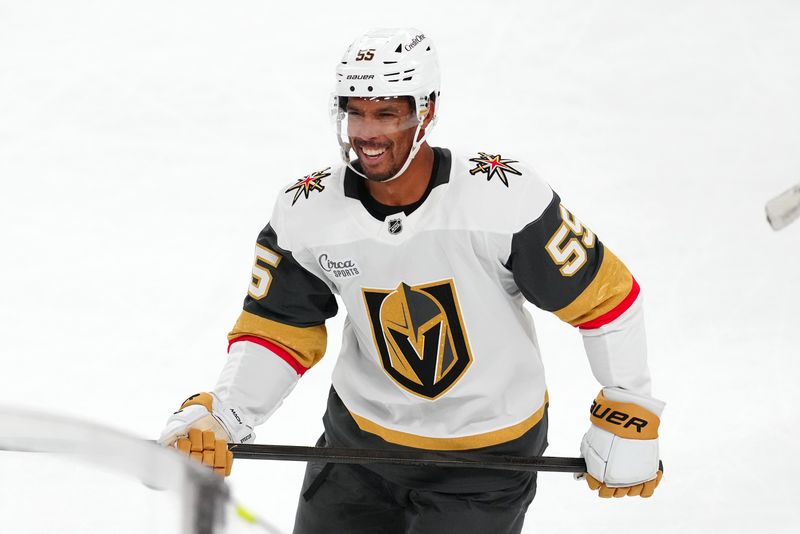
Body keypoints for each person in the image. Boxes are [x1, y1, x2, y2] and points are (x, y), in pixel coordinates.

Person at [159, 28, 665, 533]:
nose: (366, 132)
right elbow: (278, 328)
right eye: (355, 111)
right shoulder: (305, 211)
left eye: (387, 113)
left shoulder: (504, 196)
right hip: (359, 442)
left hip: (488, 454)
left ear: (427, 111)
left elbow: (605, 301)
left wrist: (629, 407)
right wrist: (222, 414)